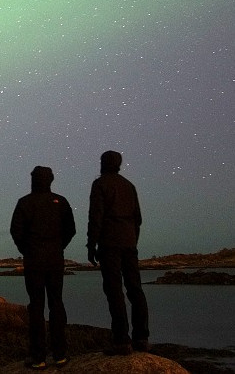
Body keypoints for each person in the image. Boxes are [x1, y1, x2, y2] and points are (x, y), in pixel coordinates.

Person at [10, 166, 76, 370]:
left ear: (32, 180)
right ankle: (60, 355)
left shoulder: (25, 203)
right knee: (56, 304)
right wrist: (58, 246)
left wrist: (27, 250)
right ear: (51, 180)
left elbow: (16, 231)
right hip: (55, 259)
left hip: (34, 261)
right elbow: (71, 230)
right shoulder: (60, 202)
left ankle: (38, 357)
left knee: (36, 306)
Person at [86, 150, 150, 355]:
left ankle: (122, 341)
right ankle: (141, 338)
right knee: (135, 290)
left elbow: (96, 216)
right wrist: (133, 239)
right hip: (129, 243)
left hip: (110, 244)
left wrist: (91, 245)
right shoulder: (129, 186)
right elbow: (138, 218)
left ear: (104, 163)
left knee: (115, 291)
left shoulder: (100, 184)